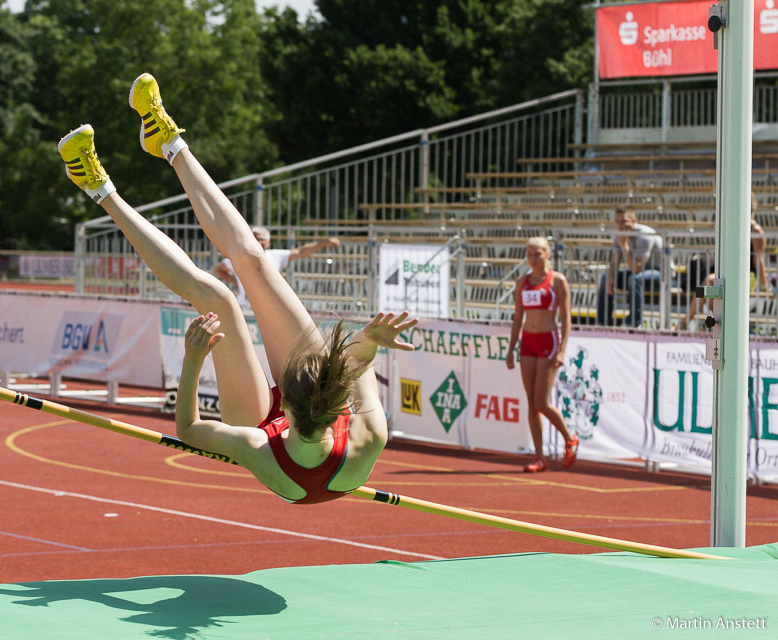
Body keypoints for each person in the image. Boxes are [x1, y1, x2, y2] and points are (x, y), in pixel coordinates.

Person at [57, 72, 418, 504]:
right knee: (251, 259)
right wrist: (372, 341)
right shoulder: (369, 434)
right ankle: (167, 142)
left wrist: (193, 360)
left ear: (286, 408)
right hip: (312, 425)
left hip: (253, 419)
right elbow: (353, 361)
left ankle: (98, 187)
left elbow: (188, 429)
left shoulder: (259, 447)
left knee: (216, 298)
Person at [505, 237, 578, 473]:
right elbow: (518, 316)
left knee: (541, 402)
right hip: (528, 342)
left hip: (548, 341)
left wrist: (562, 349)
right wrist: (511, 348)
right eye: (529, 254)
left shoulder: (557, 281)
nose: (533, 259)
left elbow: (566, 318)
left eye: (537, 254)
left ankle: (569, 438)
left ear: (547, 254)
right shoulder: (522, 281)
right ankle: (539, 456)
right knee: (530, 403)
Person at [679, 197, 767, 331]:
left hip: (747, 275)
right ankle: (708, 326)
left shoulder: (755, 230)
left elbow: (758, 259)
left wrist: (765, 286)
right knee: (711, 293)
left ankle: (687, 320)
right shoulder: (731, 227)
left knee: (710, 281)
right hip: (730, 273)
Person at [214, 227, 340, 310]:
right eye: (254, 238)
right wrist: (236, 282)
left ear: (268, 242)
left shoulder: (275, 256)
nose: (258, 242)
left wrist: (323, 242)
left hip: (269, 309)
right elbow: (218, 270)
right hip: (244, 308)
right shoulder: (237, 257)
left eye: (261, 239)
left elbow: (300, 252)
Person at [596, 206, 664, 328]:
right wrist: (611, 276)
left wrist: (625, 247)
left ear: (634, 221)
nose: (620, 226)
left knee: (634, 279)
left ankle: (633, 323)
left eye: (623, 221)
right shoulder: (619, 236)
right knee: (606, 278)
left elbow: (636, 269)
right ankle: (602, 323)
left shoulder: (645, 236)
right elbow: (614, 263)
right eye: (617, 222)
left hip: (661, 274)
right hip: (640, 272)